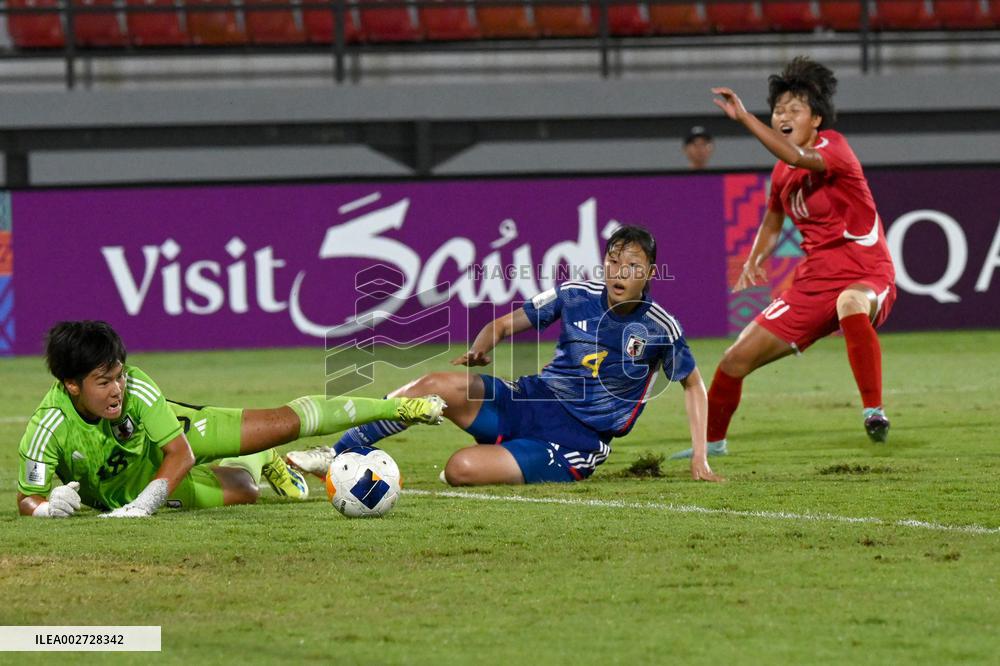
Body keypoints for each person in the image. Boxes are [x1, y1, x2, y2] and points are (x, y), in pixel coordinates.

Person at [287, 226, 723, 485]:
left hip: (575, 440)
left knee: (460, 470)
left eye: (631, 266)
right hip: (529, 400)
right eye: (612, 262)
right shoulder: (573, 294)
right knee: (435, 385)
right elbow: (502, 324)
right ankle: (339, 454)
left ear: (649, 272)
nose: (618, 273)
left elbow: (693, 384)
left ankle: (500, 461)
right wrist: (482, 347)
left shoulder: (659, 328)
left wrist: (699, 456)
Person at [672, 57, 895, 460]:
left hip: (864, 269)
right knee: (734, 360)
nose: (783, 115)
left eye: (795, 109)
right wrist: (756, 257)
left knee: (850, 302)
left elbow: (795, 157)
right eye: (778, 110)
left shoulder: (834, 147)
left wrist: (744, 118)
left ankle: (873, 411)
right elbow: (773, 219)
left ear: (816, 119)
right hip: (813, 281)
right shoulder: (781, 172)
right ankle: (712, 444)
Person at [16, 320, 445, 518]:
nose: (117, 389)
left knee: (283, 421)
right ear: (72, 385)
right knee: (245, 490)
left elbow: (179, 453)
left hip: (179, 439)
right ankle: (263, 459)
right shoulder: (46, 427)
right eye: (103, 381)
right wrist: (46, 509)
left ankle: (400, 406)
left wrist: (143, 508)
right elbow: (27, 497)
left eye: (120, 375)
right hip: (123, 493)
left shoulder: (137, 388)